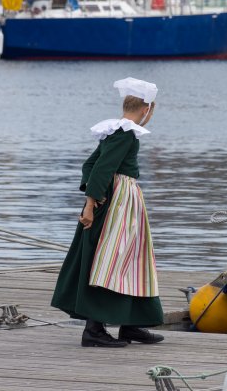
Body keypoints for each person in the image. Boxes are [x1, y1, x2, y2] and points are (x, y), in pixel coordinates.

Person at [51, 77, 164, 347]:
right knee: (112, 261)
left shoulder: (114, 130)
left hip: (116, 199)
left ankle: (131, 324)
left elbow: (89, 165)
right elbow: (101, 168)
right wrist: (92, 204)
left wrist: (95, 196)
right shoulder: (125, 133)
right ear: (148, 109)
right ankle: (94, 330)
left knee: (129, 261)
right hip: (119, 204)